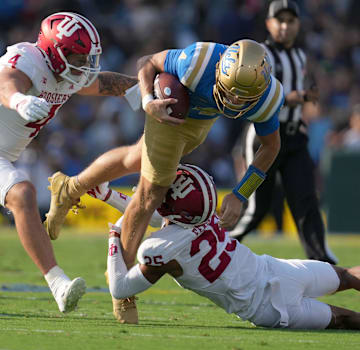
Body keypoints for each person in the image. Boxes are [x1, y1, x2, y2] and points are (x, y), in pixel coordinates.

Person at [45, 38, 284, 321]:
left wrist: (241, 193)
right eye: (230, 92)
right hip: (171, 109)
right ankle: (121, 286)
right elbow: (146, 62)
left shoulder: (269, 97)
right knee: (151, 193)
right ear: (220, 70)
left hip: (200, 120)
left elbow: (271, 146)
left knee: (135, 158)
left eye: (242, 98)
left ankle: (69, 188)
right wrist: (149, 101)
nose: (233, 102)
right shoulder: (198, 60)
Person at [100, 164, 360, 330]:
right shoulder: (204, 212)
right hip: (278, 270)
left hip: (267, 309)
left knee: (346, 319)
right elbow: (155, 214)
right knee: (347, 275)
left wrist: (115, 236)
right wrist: (108, 195)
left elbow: (120, 286)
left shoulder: (163, 249)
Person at [0, 12, 138, 313]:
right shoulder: (28, 59)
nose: (84, 63)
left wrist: (143, 90)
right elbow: (5, 82)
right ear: (53, 51)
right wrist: (20, 100)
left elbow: (102, 84)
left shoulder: (65, 74)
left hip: (3, 155)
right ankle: (58, 284)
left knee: (22, 193)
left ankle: (58, 284)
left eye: (87, 56)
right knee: (22, 193)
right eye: (77, 55)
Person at [229, 0, 338, 264]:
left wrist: (300, 112)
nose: (285, 26)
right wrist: (294, 97)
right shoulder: (259, 54)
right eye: (280, 20)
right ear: (268, 23)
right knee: (256, 207)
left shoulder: (300, 55)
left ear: (298, 25)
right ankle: (220, 246)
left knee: (306, 201)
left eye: (291, 21)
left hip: (293, 137)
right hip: (263, 137)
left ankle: (321, 259)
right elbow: (258, 95)